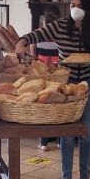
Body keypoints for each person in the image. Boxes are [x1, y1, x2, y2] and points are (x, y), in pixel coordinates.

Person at [15, 0, 90, 179]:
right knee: (66, 133)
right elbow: (34, 35)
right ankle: (65, 178)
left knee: (86, 133)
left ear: (89, 8)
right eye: (72, 5)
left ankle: (86, 178)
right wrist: (20, 43)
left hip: (89, 84)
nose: (75, 9)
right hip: (66, 86)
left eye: (79, 6)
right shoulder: (59, 26)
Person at [32, 9, 60, 152]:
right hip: (57, 74)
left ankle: (43, 142)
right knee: (59, 105)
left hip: (41, 74)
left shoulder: (39, 34)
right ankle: (60, 141)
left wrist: (35, 59)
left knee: (43, 106)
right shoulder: (59, 35)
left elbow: (32, 49)